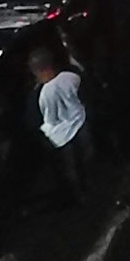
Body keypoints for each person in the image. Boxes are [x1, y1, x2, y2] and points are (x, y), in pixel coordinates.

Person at [30, 42, 92, 196]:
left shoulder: (40, 95)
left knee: (71, 169)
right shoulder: (70, 76)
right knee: (86, 158)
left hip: (61, 137)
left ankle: (80, 194)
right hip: (81, 123)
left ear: (39, 71)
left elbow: (42, 120)